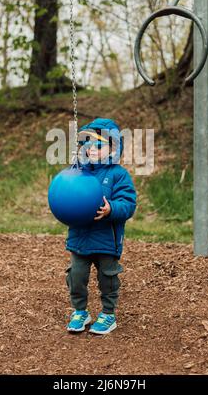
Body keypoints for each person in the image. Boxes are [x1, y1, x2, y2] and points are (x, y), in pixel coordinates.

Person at [65, 118, 137, 334]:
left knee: (108, 277)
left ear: (113, 148)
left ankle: (108, 313)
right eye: (88, 144)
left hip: (106, 238)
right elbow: (66, 195)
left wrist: (111, 209)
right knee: (76, 276)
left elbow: (128, 205)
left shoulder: (118, 175)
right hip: (80, 237)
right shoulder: (77, 172)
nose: (93, 149)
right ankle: (80, 311)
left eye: (99, 145)